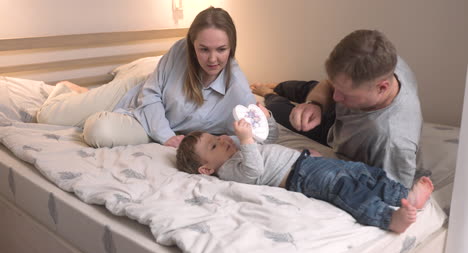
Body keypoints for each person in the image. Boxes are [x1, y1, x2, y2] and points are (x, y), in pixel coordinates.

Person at [175, 106, 433, 233]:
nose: (221, 140)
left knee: (361, 171)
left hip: (308, 163)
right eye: (213, 146)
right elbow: (254, 171)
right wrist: (245, 140)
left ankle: (401, 194)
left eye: (216, 137)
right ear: (206, 170)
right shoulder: (230, 170)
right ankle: (389, 219)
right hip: (299, 177)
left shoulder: (242, 149)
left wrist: (266, 119)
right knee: (344, 187)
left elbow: (270, 138)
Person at [36, 7, 255, 148]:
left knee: (98, 131)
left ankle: (86, 97)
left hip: (144, 123)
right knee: (46, 117)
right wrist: (167, 137)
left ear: (232, 47)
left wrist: (239, 136)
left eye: (221, 49)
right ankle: (68, 90)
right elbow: (150, 94)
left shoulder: (237, 88)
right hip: (135, 93)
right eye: (204, 49)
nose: (213, 59)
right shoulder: (180, 51)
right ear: (192, 45)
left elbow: (261, 134)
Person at [250, 29, 422, 188]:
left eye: (346, 93)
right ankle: (279, 86)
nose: (335, 98)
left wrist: (325, 164)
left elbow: (388, 193)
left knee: (280, 113)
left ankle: (269, 94)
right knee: (309, 87)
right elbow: (329, 86)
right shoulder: (385, 62)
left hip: (336, 133)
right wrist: (315, 104)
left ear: (382, 88)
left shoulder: (390, 142)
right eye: (336, 87)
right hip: (345, 117)